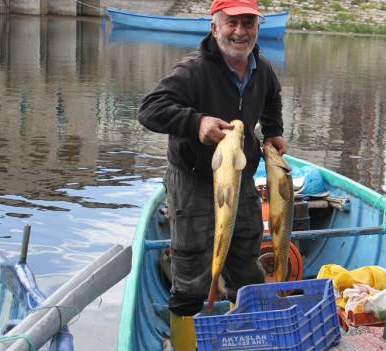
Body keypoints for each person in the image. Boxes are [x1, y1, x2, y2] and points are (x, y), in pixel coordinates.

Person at [138, 0, 287, 348]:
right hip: (194, 181)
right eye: (231, 22)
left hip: (240, 180)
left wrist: (273, 130)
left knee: (246, 265)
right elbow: (150, 110)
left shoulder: (261, 69)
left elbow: (272, 98)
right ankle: (185, 344)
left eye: (248, 22)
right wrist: (196, 122)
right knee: (190, 274)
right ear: (214, 27)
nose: (240, 31)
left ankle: (242, 338)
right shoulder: (193, 70)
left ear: (257, 27)